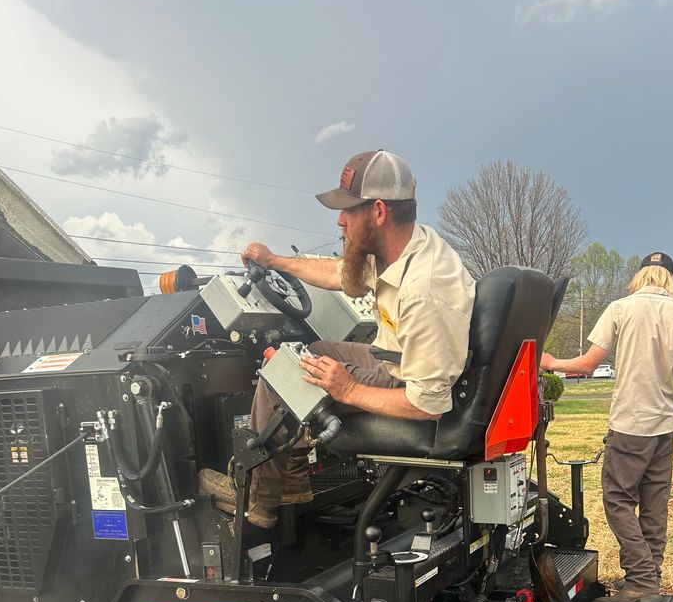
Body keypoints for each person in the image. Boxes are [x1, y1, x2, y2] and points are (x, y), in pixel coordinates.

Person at [200, 150, 476, 528]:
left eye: (349, 210)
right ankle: (292, 480)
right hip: (393, 358)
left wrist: (348, 389)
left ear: (378, 212)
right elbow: (340, 274)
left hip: (410, 383)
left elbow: (429, 404)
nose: (340, 220)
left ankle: (259, 502)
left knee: (286, 371)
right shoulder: (405, 247)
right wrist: (276, 261)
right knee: (313, 352)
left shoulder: (424, 290)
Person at [540, 251, 673, 602]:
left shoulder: (620, 308)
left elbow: (587, 364)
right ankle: (650, 578)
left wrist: (550, 361)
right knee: (653, 506)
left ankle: (643, 581)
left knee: (617, 501)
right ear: (669, 278)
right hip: (663, 426)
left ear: (641, 275)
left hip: (630, 424)